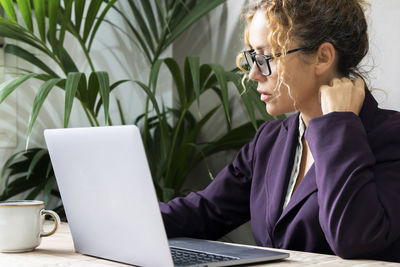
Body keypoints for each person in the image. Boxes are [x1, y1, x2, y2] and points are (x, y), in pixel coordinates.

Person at [159, 0, 400, 262]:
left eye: (265, 58)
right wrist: (121, 220)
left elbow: (355, 240)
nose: (253, 74)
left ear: (323, 57)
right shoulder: (270, 140)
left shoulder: (390, 137)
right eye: (253, 57)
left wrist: (338, 125)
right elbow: (204, 212)